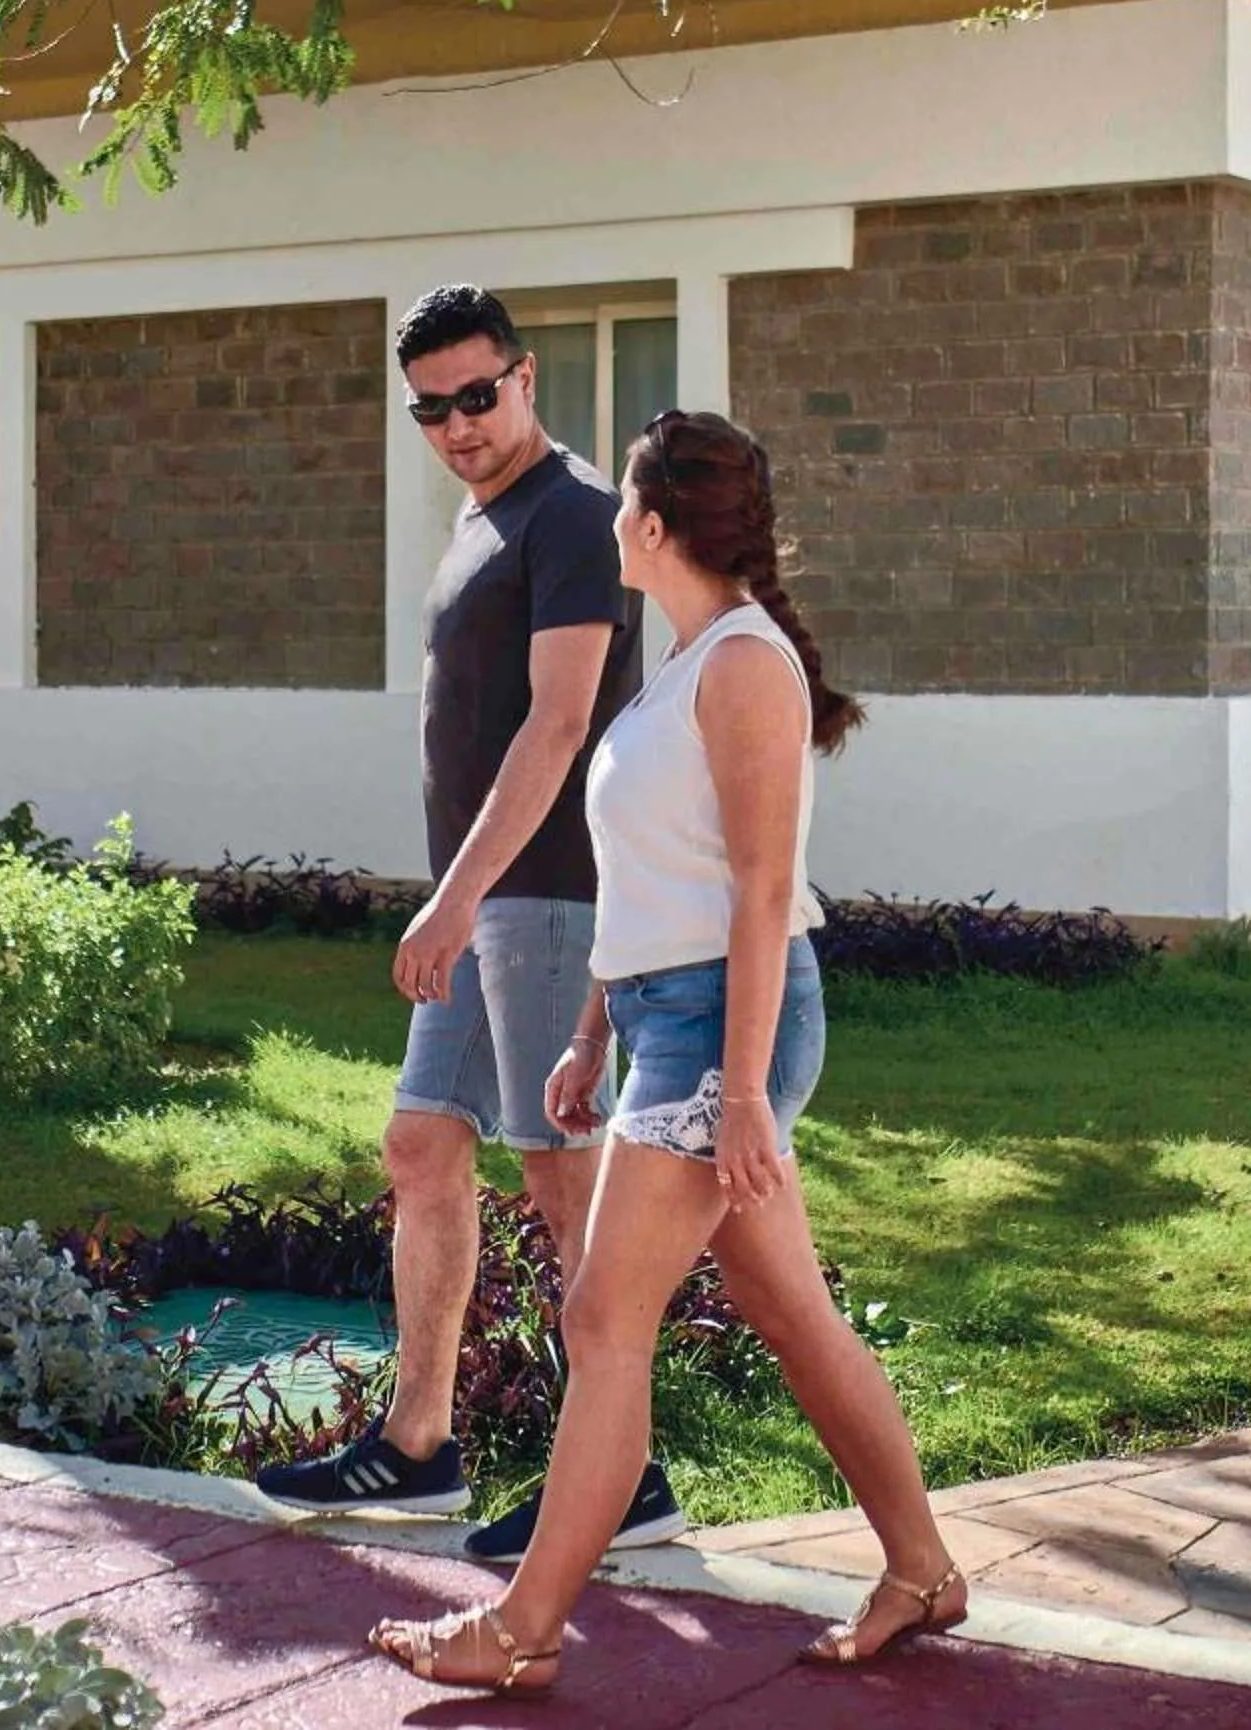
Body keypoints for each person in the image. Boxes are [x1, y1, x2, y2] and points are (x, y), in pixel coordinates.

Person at [371, 410, 970, 1692]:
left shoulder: (746, 665)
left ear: (652, 523)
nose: (606, 523)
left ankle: (521, 1630)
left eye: (621, 503)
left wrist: (741, 1090)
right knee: (791, 1310)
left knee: (605, 1314)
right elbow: (653, 882)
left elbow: (760, 895)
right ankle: (921, 1570)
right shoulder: (690, 661)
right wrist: (595, 1033)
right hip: (665, 1020)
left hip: (722, 1026)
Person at [257, 286, 686, 1559]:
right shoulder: (484, 521)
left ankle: (624, 1478)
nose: (456, 424)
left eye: (477, 396)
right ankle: (419, 1448)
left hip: (545, 898)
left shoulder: (572, 517)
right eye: (430, 407)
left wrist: (452, 899)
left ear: (526, 377)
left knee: (562, 1185)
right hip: (488, 904)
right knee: (420, 1149)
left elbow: (559, 724)